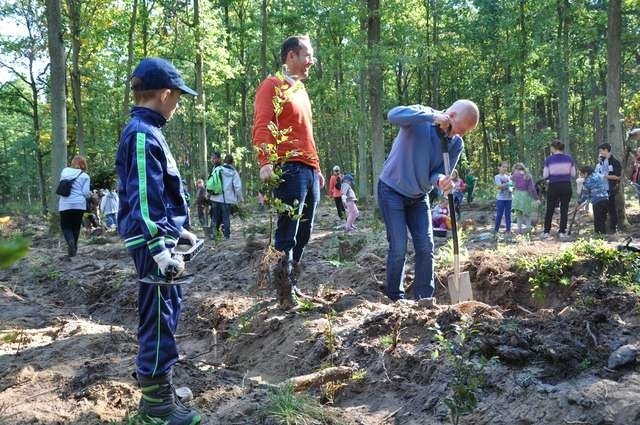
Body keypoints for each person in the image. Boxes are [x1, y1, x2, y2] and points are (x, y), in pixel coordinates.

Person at [115, 57, 201, 425]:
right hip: (156, 249)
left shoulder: (149, 132)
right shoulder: (140, 133)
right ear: (165, 94)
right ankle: (157, 407)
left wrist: (177, 230)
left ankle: (159, 390)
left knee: (167, 311)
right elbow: (144, 197)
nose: (177, 106)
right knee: (160, 317)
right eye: (177, 98)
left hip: (163, 243)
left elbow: (157, 196)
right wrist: (159, 247)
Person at [378, 100, 479, 301]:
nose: (460, 134)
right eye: (461, 128)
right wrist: (431, 117)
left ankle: (424, 299)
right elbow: (393, 115)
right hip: (392, 190)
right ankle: (395, 299)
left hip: (419, 197)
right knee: (398, 246)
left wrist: (441, 180)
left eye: (466, 132)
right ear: (452, 115)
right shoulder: (421, 116)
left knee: (425, 246)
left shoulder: (456, 143)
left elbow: (438, 173)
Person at [252, 35, 324, 309]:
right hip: (288, 168)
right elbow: (262, 123)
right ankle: (283, 293)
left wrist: (317, 167)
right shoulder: (273, 85)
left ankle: (292, 283)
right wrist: (266, 161)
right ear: (291, 56)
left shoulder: (302, 92)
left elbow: (308, 134)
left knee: (305, 232)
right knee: (288, 232)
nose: (311, 62)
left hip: (308, 170)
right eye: (308, 56)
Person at [542, 139, 576, 239]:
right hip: (566, 186)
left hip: (554, 186)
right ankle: (562, 232)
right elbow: (573, 174)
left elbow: (545, 175)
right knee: (564, 210)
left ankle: (546, 232)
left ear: (553, 148)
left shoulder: (549, 159)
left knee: (550, 209)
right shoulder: (569, 158)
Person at [58, 155, 91, 257]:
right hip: (79, 205)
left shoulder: (65, 171)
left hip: (65, 204)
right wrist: (90, 195)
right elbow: (85, 193)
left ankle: (70, 242)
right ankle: (74, 249)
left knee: (65, 226)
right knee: (76, 227)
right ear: (83, 164)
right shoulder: (85, 176)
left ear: (73, 163)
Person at [209, 154, 244, 240]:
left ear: (224, 161)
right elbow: (237, 187)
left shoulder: (217, 169)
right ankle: (226, 236)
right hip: (227, 199)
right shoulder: (234, 172)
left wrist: (209, 194)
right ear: (232, 162)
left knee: (214, 217)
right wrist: (240, 198)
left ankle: (213, 235)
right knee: (226, 218)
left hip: (215, 197)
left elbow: (210, 182)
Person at [596, 143, 622, 233]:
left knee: (612, 209)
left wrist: (606, 176)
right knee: (602, 211)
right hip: (601, 190)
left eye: (601, 151)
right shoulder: (600, 162)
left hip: (610, 190)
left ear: (606, 150)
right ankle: (602, 230)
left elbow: (618, 177)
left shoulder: (615, 162)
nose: (600, 153)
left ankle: (613, 228)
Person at [578, 165, 609, 235]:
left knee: (598, 220)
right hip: (606, 199)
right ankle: (603, 235)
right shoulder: (599, 175)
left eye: (581, 174)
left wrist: (579, 202)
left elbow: (585, 195)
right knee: (603, 220)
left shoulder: (587, 181)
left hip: (597, 202)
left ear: (586, 173)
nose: (581, 176)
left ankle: (599, 236)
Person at [511, 163, 539, 234]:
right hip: (526, 196)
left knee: (519, 215)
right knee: (527, 215)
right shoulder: (528, 176)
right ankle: (528, 230)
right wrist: (536, 198)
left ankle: (519, 231)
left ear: (516, 169)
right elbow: (532, 188)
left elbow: (512, 185)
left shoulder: (514, 176)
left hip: (517, 196)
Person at [494, 161, 513, 235]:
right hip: (501, 199)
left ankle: (508, 230)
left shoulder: (509, 177)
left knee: (508, 215)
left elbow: (511, 187)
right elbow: (499, 186)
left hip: (509, 198)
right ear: (499, 167)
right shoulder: (497, 176)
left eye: (506, 167)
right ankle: (496, 231)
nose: (505, 168)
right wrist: (508, 184)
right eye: (503, 167)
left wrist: (511, 189)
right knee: (499, 214)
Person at [207, 151, 222, 238]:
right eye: (212, 158)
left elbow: (218, 183)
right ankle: (214, 232)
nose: (213, 160)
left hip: (218, 195)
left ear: (219, 159)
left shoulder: (220, 169)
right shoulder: (212, 168)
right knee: (213, 213)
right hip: (213, 195)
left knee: (217, 214)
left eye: (215, 158)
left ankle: (216, 233)